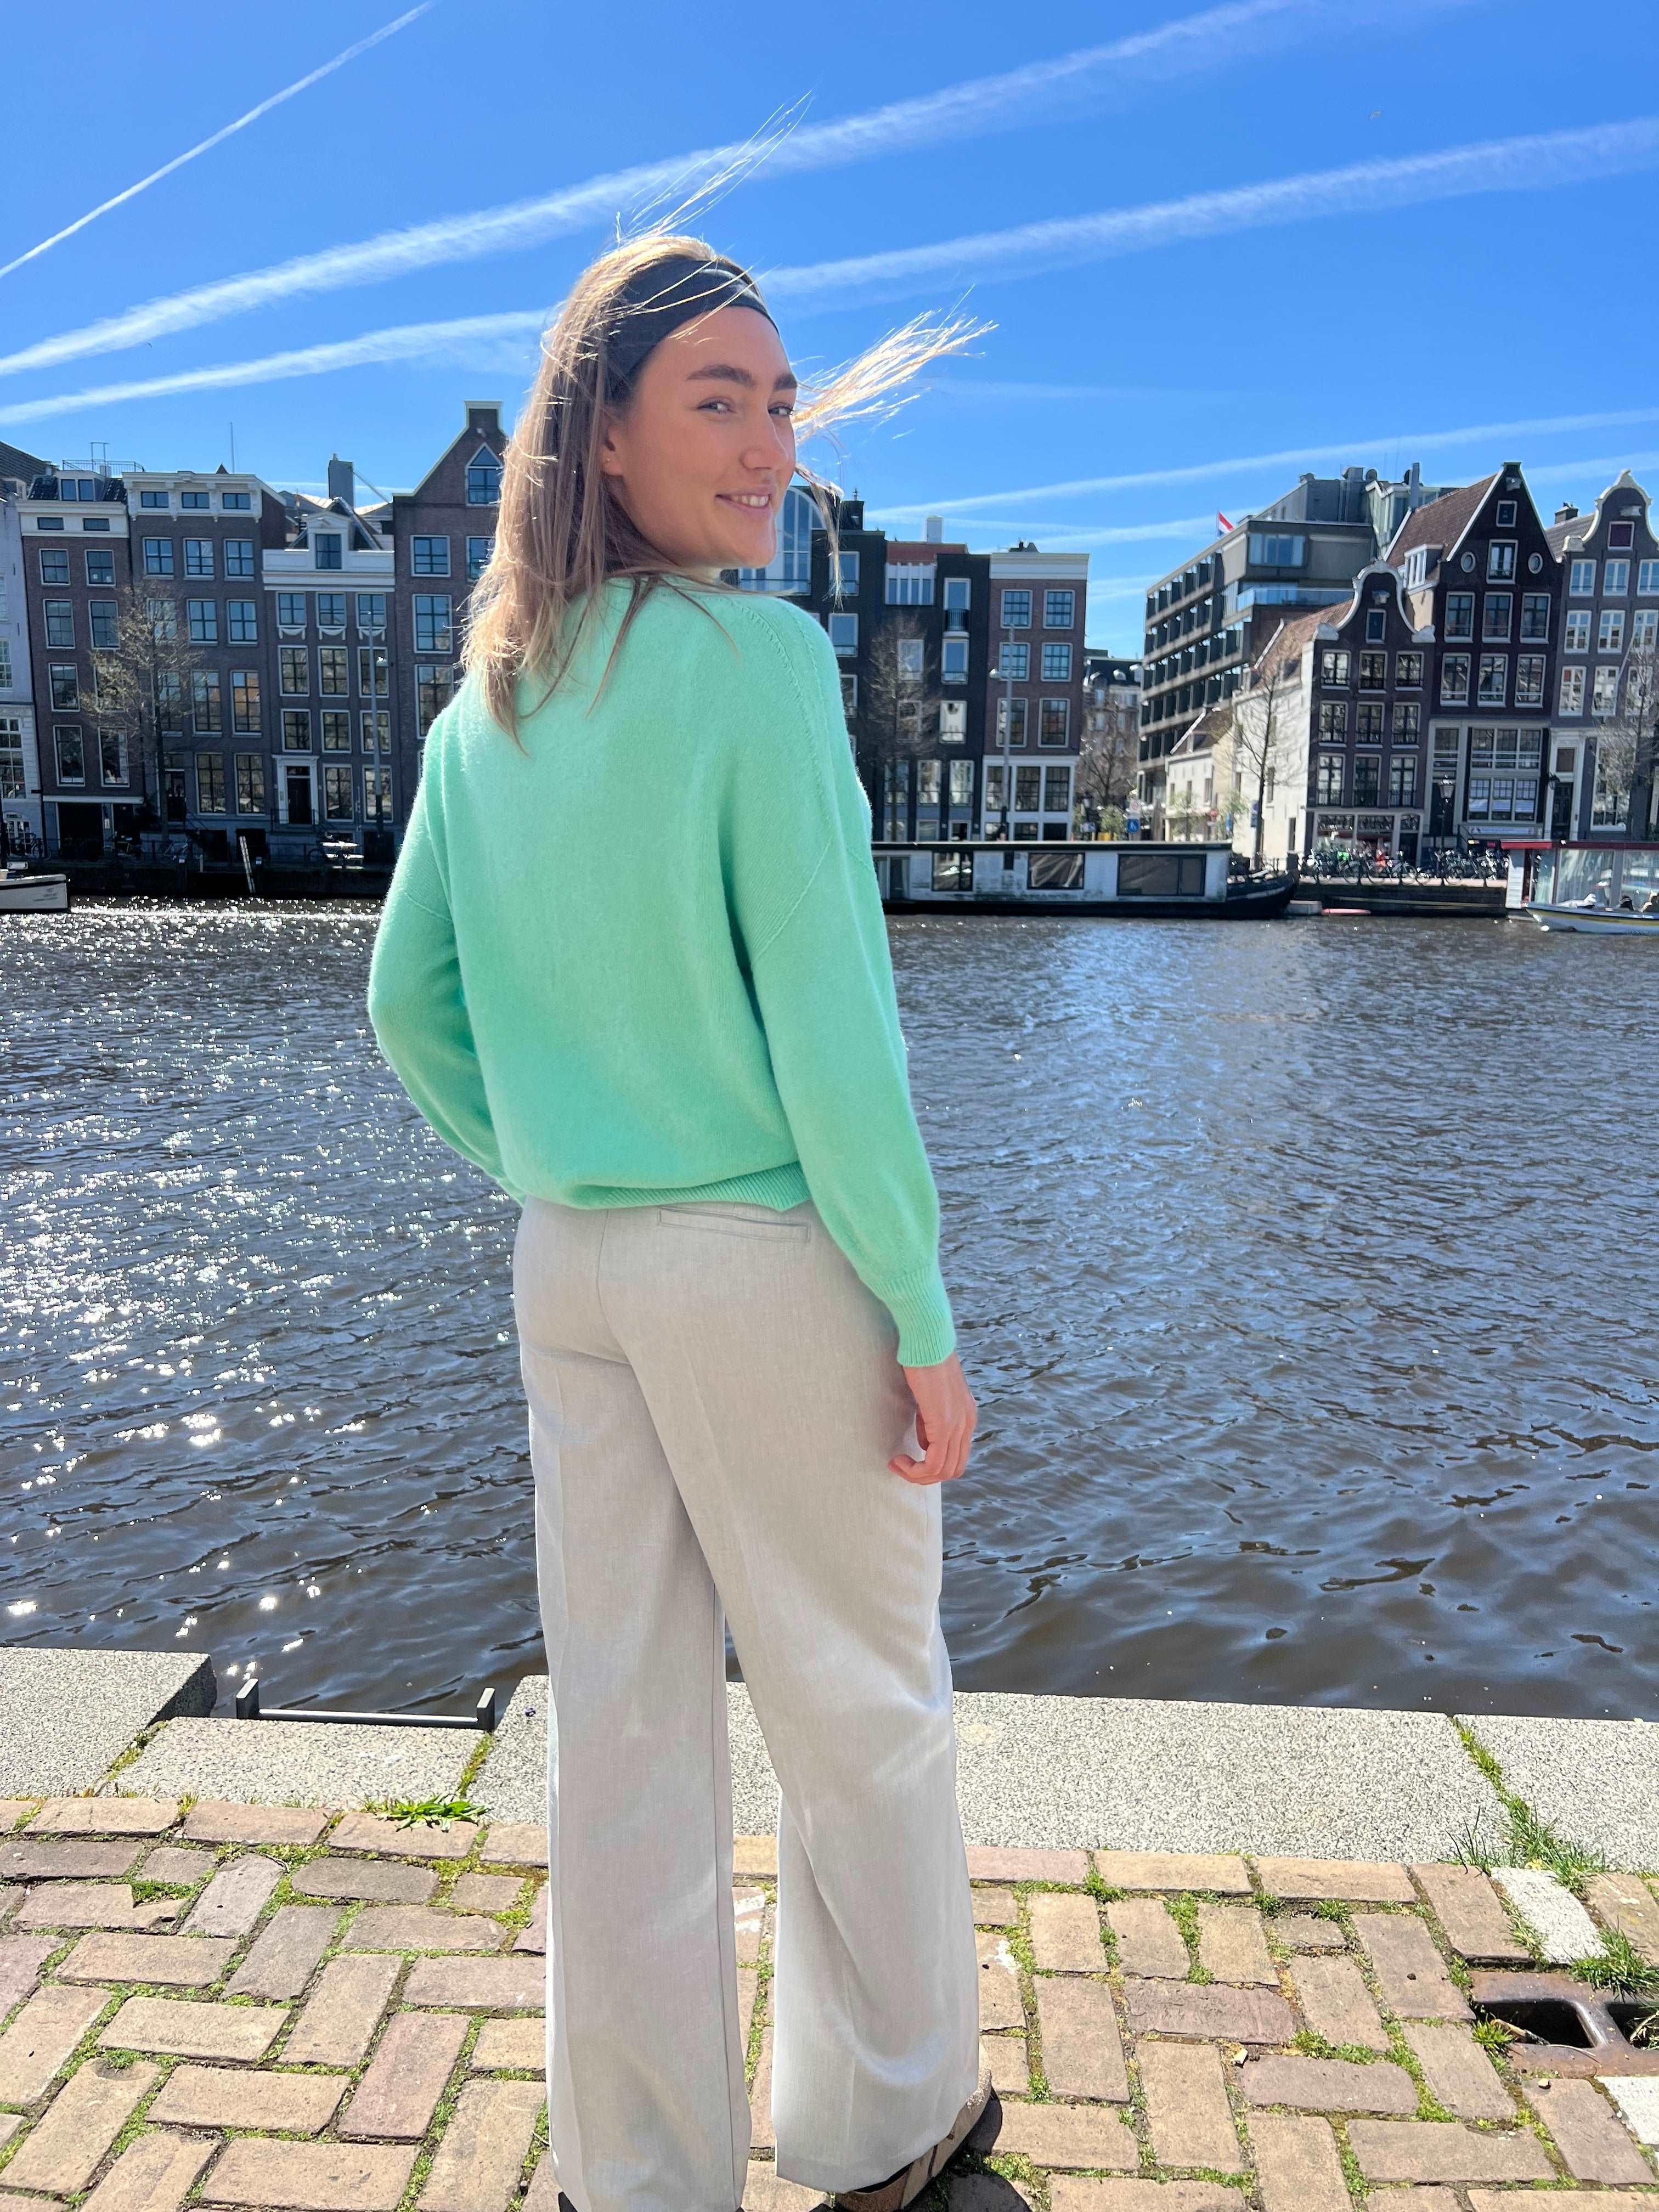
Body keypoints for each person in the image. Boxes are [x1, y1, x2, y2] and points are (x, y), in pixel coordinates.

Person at [366, 234, 994, 2212]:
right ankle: (885, 2124)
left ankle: (637, 2171)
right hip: (763, 1264)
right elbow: (835, 1033)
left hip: (573, 1270)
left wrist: (556, 1152)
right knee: (859, 1707)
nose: (769, 446)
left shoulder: (488, 708)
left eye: (783, 403)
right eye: (720, 400)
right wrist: (920, 1309)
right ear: (608, 439)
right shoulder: (760, 666)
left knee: (625, 1734)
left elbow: (406, 1005)